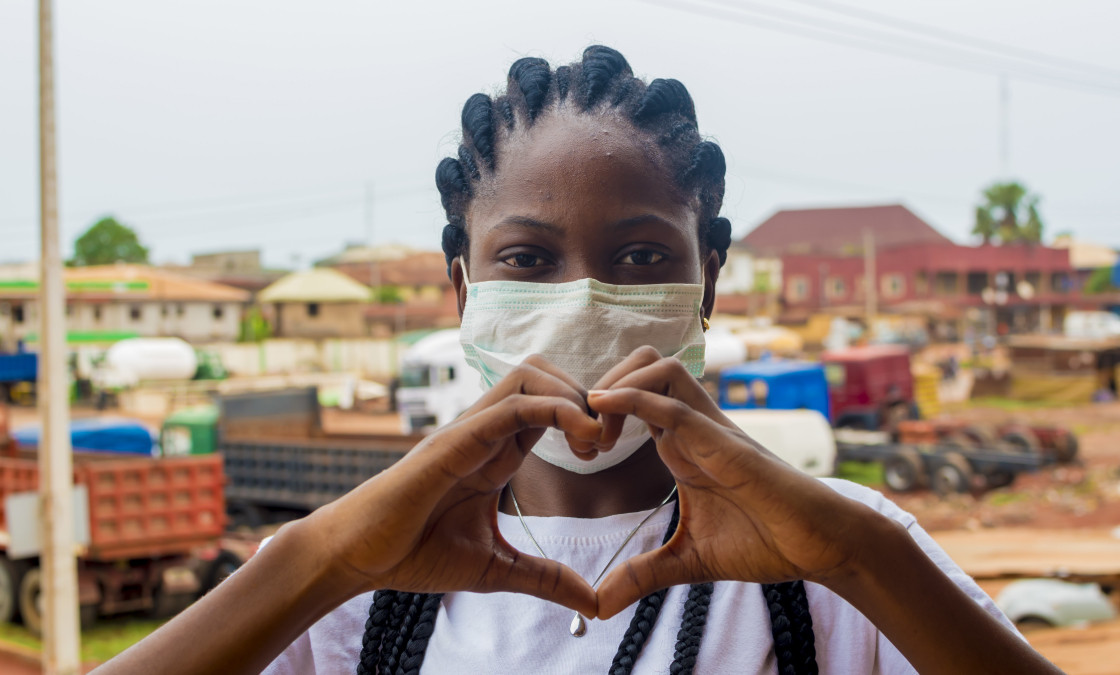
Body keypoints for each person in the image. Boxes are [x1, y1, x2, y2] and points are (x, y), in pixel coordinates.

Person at [98, 46, 1063, 675]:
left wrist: (858, 557)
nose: (584, 298)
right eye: (527, 259)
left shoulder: (836, 563)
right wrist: (318, 560)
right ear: (463, 286)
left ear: (709, 279)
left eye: (641, 258)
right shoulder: (356, 584)